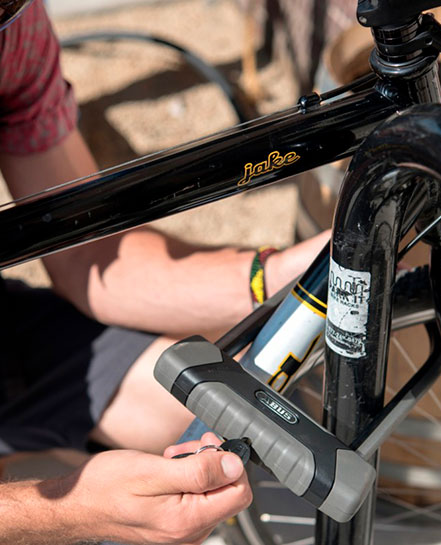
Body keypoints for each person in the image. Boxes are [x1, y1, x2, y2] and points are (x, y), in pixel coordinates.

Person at [0, 1, 329, 543]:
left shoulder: (14, 26)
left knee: (223, 405)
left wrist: (277, 276)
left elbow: (91, 257)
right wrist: (75, 510)